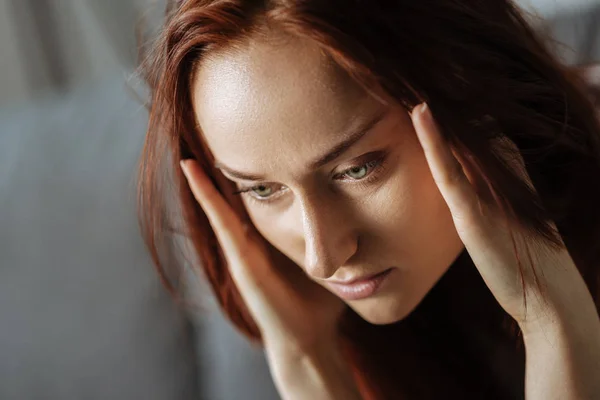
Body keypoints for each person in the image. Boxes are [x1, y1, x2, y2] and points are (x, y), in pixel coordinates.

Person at [137, 0, 600, 398]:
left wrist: (558, 326)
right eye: (262, 189)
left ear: (472, 97)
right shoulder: (384, 331)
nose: (322, 259)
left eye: (358, 169)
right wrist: (311, 366)